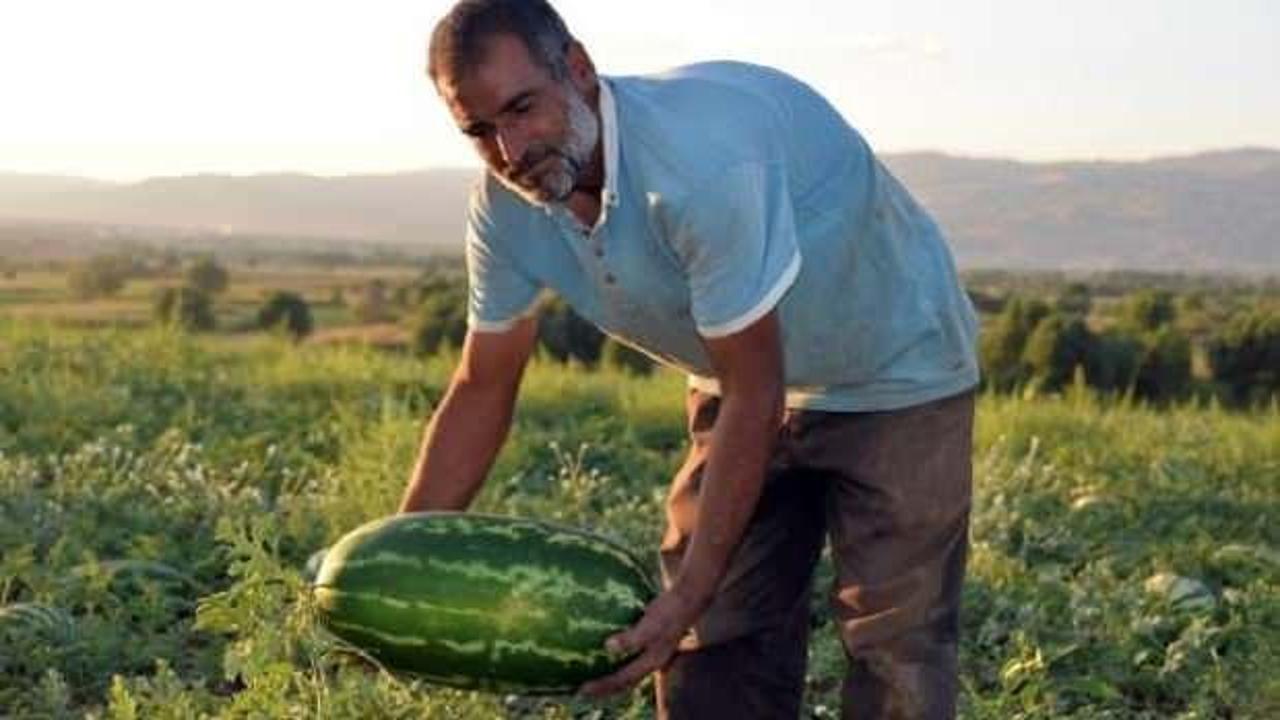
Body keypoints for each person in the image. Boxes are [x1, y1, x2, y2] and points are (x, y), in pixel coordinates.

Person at [399, 1, 980, 717]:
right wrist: (393, 560)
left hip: (893, 366)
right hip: (737, 373)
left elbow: (756, 394)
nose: (510, 150)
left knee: (896, 641)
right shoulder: (504, 209)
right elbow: (482, 386)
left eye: (522, 108)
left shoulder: (701, 165)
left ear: (578, 70)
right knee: (713, 642)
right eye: (479, 131)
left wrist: (690, 594)